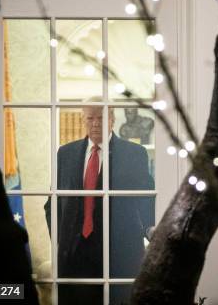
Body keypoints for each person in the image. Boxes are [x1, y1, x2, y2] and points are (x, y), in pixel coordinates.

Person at [44, 101, 154, 304]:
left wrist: (150, 229)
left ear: (112, 119)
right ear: (82, 120)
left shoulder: (134, 154)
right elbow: (52, 204)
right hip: (74, 253)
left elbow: (146, 198)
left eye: (101, 118)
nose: (95, 123)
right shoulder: (65, 153)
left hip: (118, 252)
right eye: (90, 118)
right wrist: (61, 240)